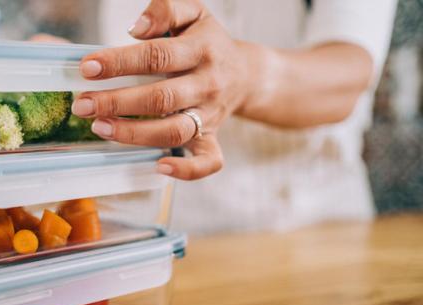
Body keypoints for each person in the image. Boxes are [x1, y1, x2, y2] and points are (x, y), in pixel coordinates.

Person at [48, 0, 397, 233]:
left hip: (308, 233)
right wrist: (71, 73)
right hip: (151, 229)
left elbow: (349, 73)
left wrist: (242, 76)